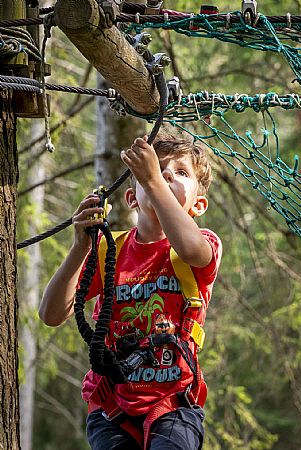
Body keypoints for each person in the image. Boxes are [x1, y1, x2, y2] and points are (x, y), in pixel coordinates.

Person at [39, 128, 222, 450]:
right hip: (112, 404)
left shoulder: (201, 245)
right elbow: (51, 314)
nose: (165, 174)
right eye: (156, 168)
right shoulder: (110, 252)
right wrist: (80, 247)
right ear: (131, 197)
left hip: (173, 402)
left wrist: (151, 179)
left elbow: (193, 250)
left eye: (180, 172)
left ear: (199, 205)